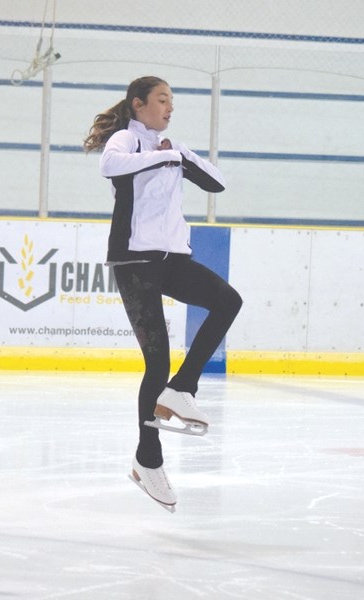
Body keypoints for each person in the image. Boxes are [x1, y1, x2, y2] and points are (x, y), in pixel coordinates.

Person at [83, 76, 242, 512]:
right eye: (161, 100)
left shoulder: (168, 149)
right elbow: (108, 167)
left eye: (172, 100)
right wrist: (160, 156)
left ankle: (183, 389)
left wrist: (179, 154)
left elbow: (217, 184)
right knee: (157, 360)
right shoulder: (126, 140)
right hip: (134, 261)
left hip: (171, 258)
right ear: (139, 104)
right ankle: (147, 459)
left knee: (228, 301)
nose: (169, 107)